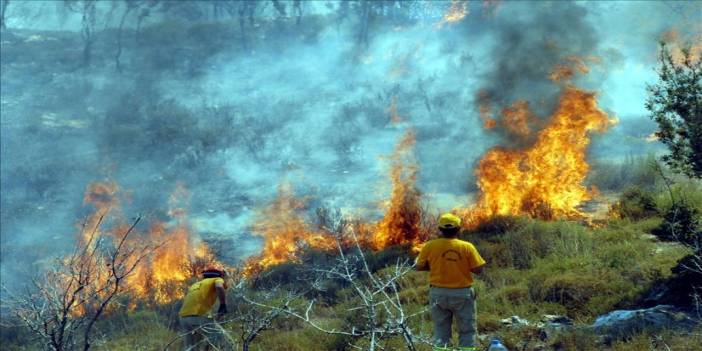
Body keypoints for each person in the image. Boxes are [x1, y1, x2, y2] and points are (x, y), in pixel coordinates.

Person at [416, 213, 486, 351]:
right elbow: (479, 269)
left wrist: (436, 265)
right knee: (467, 330)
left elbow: (419, 266)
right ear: (459, 228)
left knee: (441, 330)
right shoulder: (467, 247)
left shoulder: (430, 246)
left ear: (440, 229)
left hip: (438, 293)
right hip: (463, 294)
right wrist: (461, 265)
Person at [178, 266, 229, 350]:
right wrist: (223, 305)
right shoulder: (217, 279)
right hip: (198, 316)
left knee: (191, 348)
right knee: (223, 342)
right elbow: (219, 286)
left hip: (183, 318)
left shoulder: (196, 284)